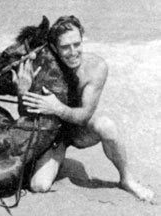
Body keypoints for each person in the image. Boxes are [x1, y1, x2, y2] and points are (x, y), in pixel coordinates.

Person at [15, 15, 154, 201]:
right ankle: (55, 159)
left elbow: (84, 115)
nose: (73, 52)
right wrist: (22, 92)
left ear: (82, 40)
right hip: (52, 134)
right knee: (39, 186)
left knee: (106, 125)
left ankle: (127, 179)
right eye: (65, 47)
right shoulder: (42, 65)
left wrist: (56, 108)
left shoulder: (95, 67)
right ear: (55, 48)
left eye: (77, 44)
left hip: (79, 129)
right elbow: (26, 114)